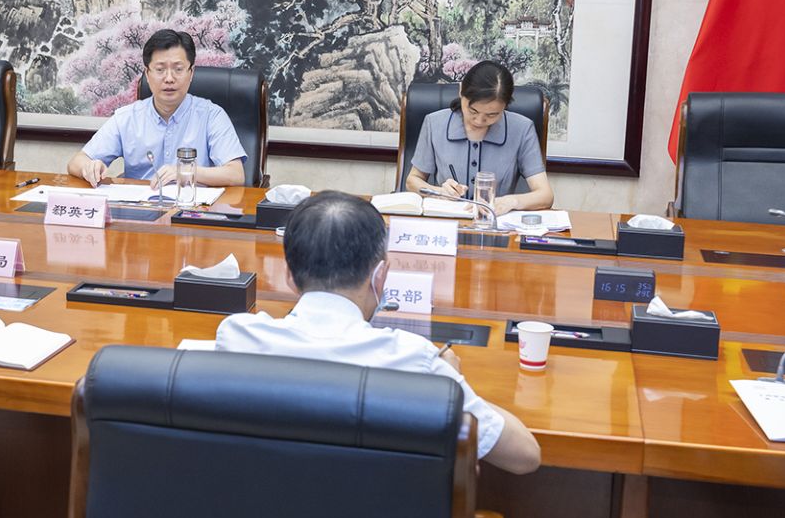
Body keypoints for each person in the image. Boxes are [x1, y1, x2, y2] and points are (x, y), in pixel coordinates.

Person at [196, 192, 541, 475]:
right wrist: (448, 384)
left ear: (289, 275)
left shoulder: (238, 337)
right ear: (381, 276)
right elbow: (525, 455)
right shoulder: (415, 361)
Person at [67, 28, 247, 189]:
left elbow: (236, 174)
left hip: (192, 208)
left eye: (178, 69)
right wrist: (89, 168)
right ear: (147, 74)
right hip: (140, 210)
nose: (169, 78)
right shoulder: (127, 117)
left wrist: (185, 172)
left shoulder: (211, 115)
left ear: (191, 73)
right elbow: (76, 162)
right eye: (160, 70)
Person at [403, 60, 553, 212]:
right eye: (473, 111)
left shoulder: (522, 129)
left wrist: (510, 202)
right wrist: (439, 192)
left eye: (492, 114)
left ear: (505, 105)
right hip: (449, 220)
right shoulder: (434, 123)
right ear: (461, 91)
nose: (479, 121)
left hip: (496, 221)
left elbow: (545, 196)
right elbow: (412, 181)